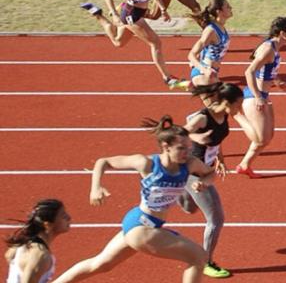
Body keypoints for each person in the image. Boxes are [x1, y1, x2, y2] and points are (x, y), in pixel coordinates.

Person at [52, 115, 224, 283]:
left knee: (101, 264)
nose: (187, 152)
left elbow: (210, 173)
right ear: (166, 147)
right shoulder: (146, 163)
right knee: (199, 257)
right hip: (140, 226)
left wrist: (203, 182)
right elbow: (103, 162)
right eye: (181, 148)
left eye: (188, 147)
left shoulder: (190, 164)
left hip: (148, 225)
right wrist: (95, 188)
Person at [80, 0, 189, 90]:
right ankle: (167, 78)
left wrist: (163, 9)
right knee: (156, 43)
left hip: (140, 13)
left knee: (118, 42)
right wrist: (114, 14)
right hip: (131, 14)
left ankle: (97, 14)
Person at [177, 82, 243, 278]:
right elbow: (179, 132)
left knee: (190, 209)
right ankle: (205, 262)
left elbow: (217, 140)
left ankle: (177, 187)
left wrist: (220, 159)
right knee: (216, 219)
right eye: (238, 105)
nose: (239, 109)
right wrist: (196, 139)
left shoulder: (223, 115)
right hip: (195, 173)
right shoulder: (201, 118)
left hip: (203, 169)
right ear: (225, 102)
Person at [235, 17, 286, 178]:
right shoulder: (268, 48)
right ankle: (236, 114)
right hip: (254, 96)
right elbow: (249, 72)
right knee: (261, 138)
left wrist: (277, 81)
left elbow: (266, 70)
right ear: (283, 33)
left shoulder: (274, 47)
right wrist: (257, 97)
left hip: (263, 95)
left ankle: (244, 165)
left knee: (268, 137)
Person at [5, 199, 71, 283]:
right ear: (48, 225)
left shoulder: (24, 242)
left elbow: (9, 256)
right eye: (63, 216)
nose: (69, 218)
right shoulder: (40, 255)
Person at [187, 0, 234, 87]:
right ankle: (190, 85)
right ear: (219, 11)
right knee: (226, 99)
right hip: (203, 74)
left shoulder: (221, 27)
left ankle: (187, 85)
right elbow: (191, 55)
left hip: (212, 72)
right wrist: (204, 70)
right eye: (227, 6)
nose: (231, 8)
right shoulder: (211, 30)